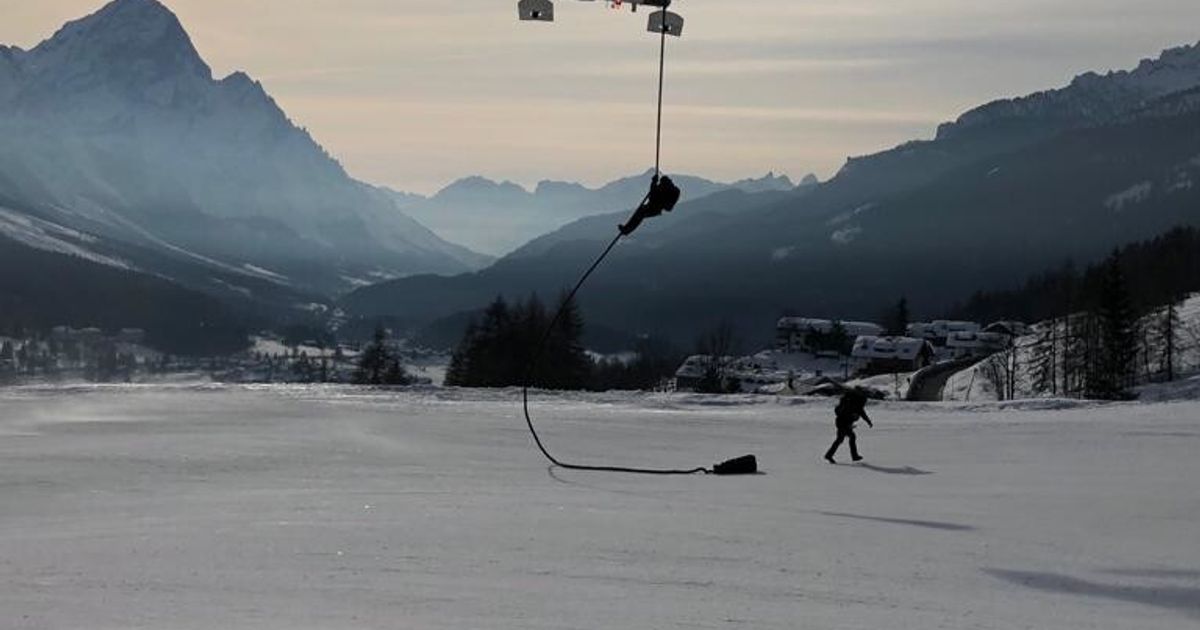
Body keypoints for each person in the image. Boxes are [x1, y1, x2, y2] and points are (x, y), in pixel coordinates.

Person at [824, 387, 873, 464]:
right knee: (847, 438)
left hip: (843, 422)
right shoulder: (853, 403)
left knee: (842, 439)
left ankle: (830, 455)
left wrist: (868, 421)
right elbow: (847, 413)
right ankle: (852, 456)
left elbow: (862, 413)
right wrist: (850, 420)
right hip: (843, 423)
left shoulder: (855, 403)